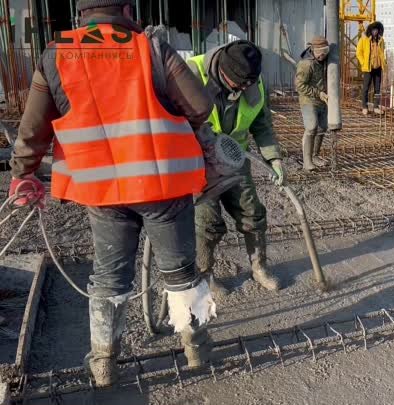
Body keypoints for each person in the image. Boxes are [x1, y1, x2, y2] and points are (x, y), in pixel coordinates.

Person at [7, 0, 216, 387]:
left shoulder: (56, 54)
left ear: (82, 15)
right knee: (181, 272)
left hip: (102, 190)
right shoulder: (151, 47)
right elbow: (200, 106)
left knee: (108, 277)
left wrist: (23, 174)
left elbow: (33, 128)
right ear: (125, 8)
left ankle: (103, 361)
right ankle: (196, 348)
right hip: (163, 185)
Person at [187, 40, 286, 294]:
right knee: (207, 222)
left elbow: (262, 124)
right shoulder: (190, 74)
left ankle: (259, 268)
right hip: (199, 161)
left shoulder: (254, 83)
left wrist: (272, 157)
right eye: (238, 84)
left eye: (247, 85)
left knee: (253, 214)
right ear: (222, 70)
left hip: (235, 157)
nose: (243, 90)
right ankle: (205, 275)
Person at [295, 36, 330, 171]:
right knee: (311, 127)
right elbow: (299, 86)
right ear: (313, 49)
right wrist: (318, 93)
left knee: (322, 127)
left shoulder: (326, 60)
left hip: (322, 100)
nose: (323, 54)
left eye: (325, 51)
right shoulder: (306, 64)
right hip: (308, 100)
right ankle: (307, 161)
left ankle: (315, 156)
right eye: (320, 51)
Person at [356, 21, 386, 115]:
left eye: (377, 30)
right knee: (366, 88)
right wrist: (363, 62)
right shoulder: (364, 39)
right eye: (374, 30)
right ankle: (364, 107)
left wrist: (384, 62)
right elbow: (358, 52)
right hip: (368, 68)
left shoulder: (381, 40)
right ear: (370, 30)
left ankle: (376, 107)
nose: (375, 32)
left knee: (377, 88)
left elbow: (383, 52)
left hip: (378, 67)